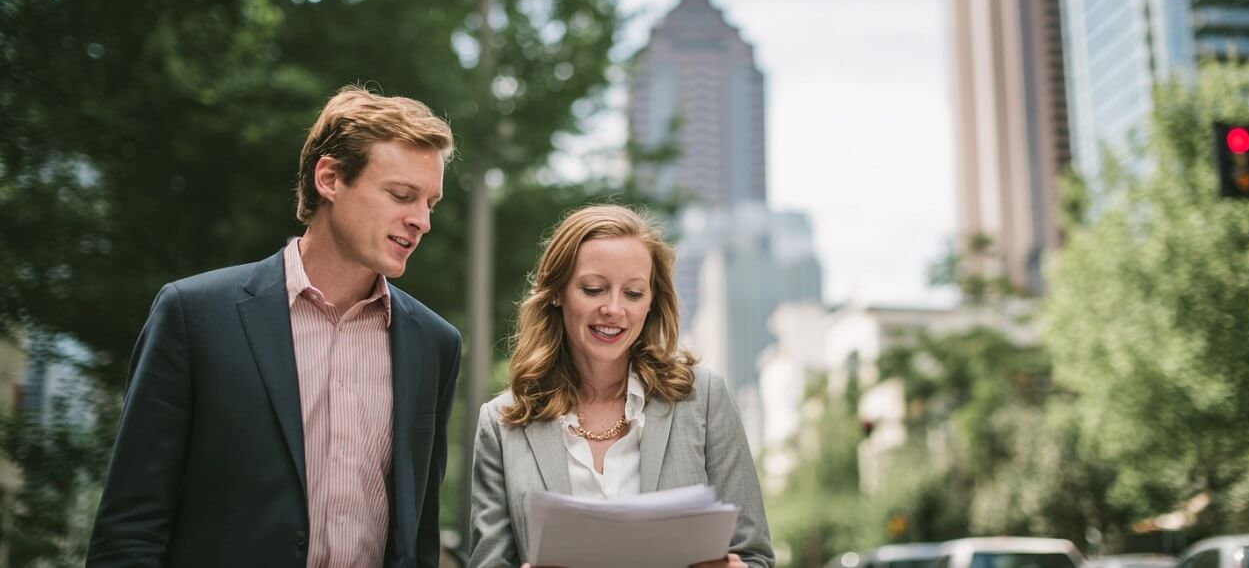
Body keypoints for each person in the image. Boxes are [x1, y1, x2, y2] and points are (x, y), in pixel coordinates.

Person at [87, 85, 462, 568]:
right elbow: (128, 532)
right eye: (402, 195)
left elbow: (418, 539)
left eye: (430, 202)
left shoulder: (435, 344)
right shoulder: (194, 315)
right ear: (329, 178)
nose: (422, 221)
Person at [469, 205, 774, 568]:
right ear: (556, 292)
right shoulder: (502, 423)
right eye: (594, 289)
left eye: (633, 294)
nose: (613, 309)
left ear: (651, 304)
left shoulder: (704, 399)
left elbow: (756, 556)